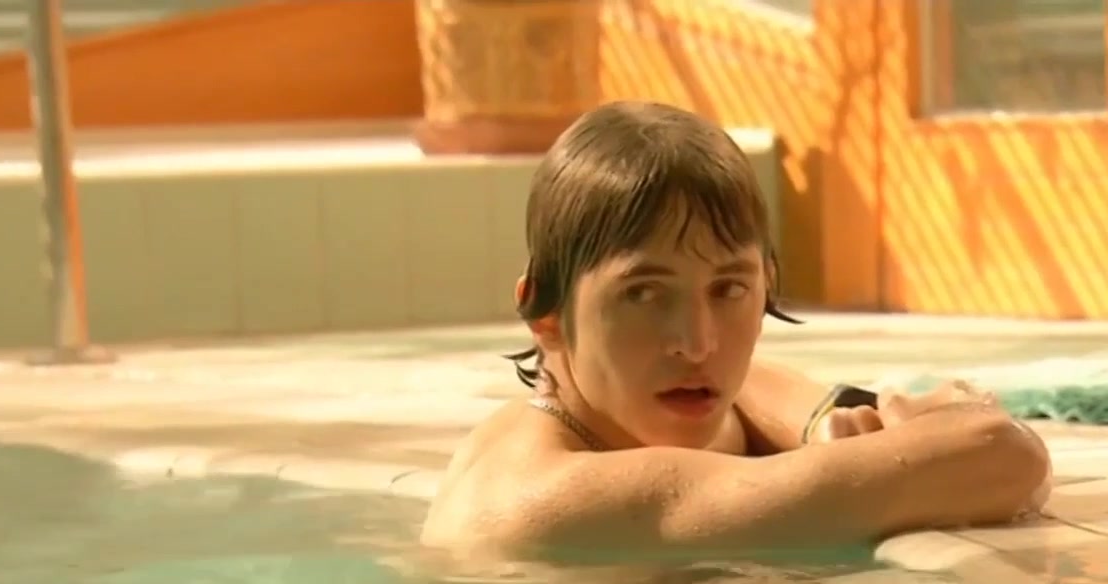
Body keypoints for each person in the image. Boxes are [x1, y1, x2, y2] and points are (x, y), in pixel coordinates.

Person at [420, 100, 1051, 558]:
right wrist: (931, 426)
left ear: (766, 285)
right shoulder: (547, 499)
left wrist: (830, 421)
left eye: (728, 289)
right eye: (643, 294)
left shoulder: (663, 405)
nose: (698, 343)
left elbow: (757, 389)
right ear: (545, 314)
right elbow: (1005, 457)